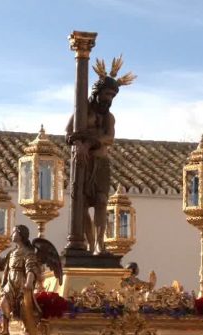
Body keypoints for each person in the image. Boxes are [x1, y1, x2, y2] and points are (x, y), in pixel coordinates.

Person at [65, 56, 134, 254]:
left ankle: (99, 245)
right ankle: (90, 240)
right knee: (83, 204)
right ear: (98, 92)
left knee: (102, 201)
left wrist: (88, 143)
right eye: (107, 94)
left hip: (101, 162)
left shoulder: (109, 117)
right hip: (83, 163)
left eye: (112, 96)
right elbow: (68, 132)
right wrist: (79, 144)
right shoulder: (82, 112)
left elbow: (109, 138)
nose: (109, 99)